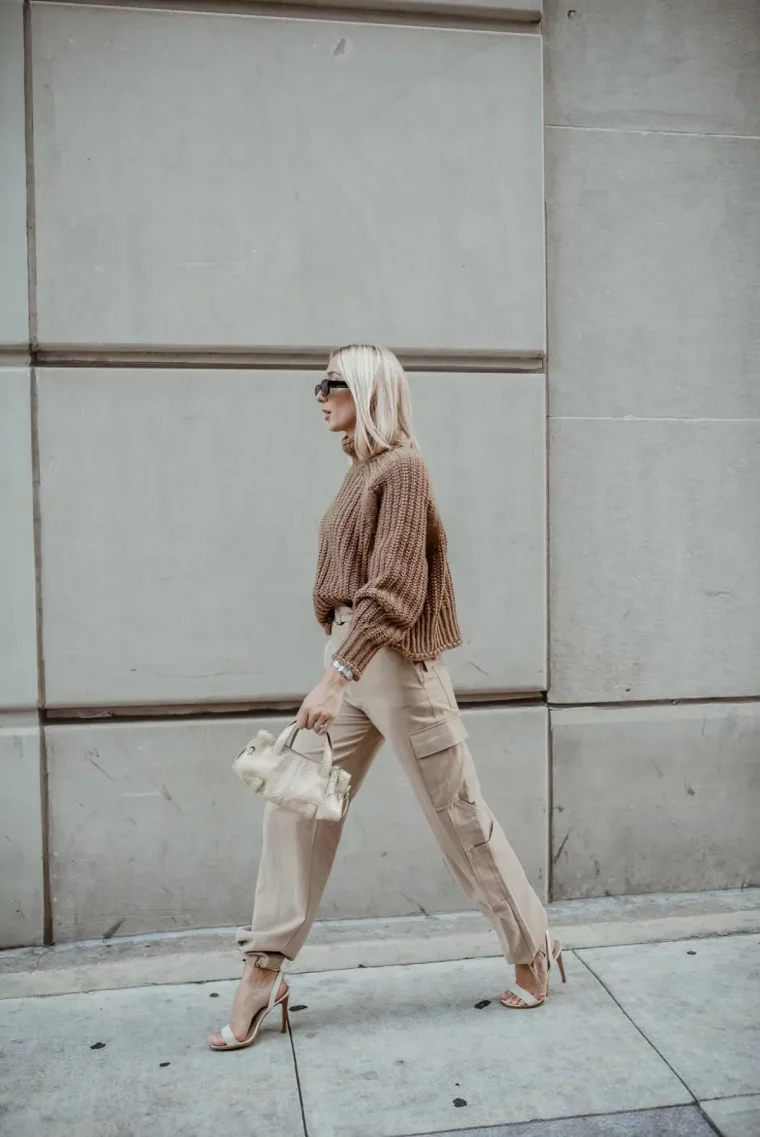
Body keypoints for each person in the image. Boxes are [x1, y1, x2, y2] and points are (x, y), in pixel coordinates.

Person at [209, 344, 566, 1051]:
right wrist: (338, 660)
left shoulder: (402, 468)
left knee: (458, 815)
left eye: (331, 382)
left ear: (367, 389)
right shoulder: (360, 471)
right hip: (349, 658)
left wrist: (335, 673)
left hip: (395, 666)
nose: (319, 394)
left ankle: (532, 948)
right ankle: (263, 969)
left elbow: (396, 588)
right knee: (294, 806)